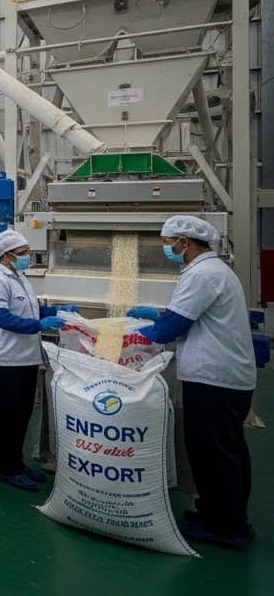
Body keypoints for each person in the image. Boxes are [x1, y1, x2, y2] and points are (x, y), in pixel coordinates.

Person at [126, 214, 256, 549]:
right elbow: (185, 316)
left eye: (169, 244)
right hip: (227, 376)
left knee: (212, 452)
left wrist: (135, 336)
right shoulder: (213, 271)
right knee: (228, 449)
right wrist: (159, 316)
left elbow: (172, 328)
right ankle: (225, 516)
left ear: (185, 242)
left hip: (214, 377)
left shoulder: (201, 274)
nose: (167, 249)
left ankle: (223, 526)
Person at [0, 229, 77, 491]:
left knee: (22, 413)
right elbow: (0, 316)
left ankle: (17, 462)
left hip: (26, 357)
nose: (28, 257)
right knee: (7, 415)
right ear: (7, 255)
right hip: (6, 359)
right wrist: (38, 325)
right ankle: (5, 468)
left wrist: (58, 310)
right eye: (23, 253)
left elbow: (31, 307)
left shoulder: (18, 277)